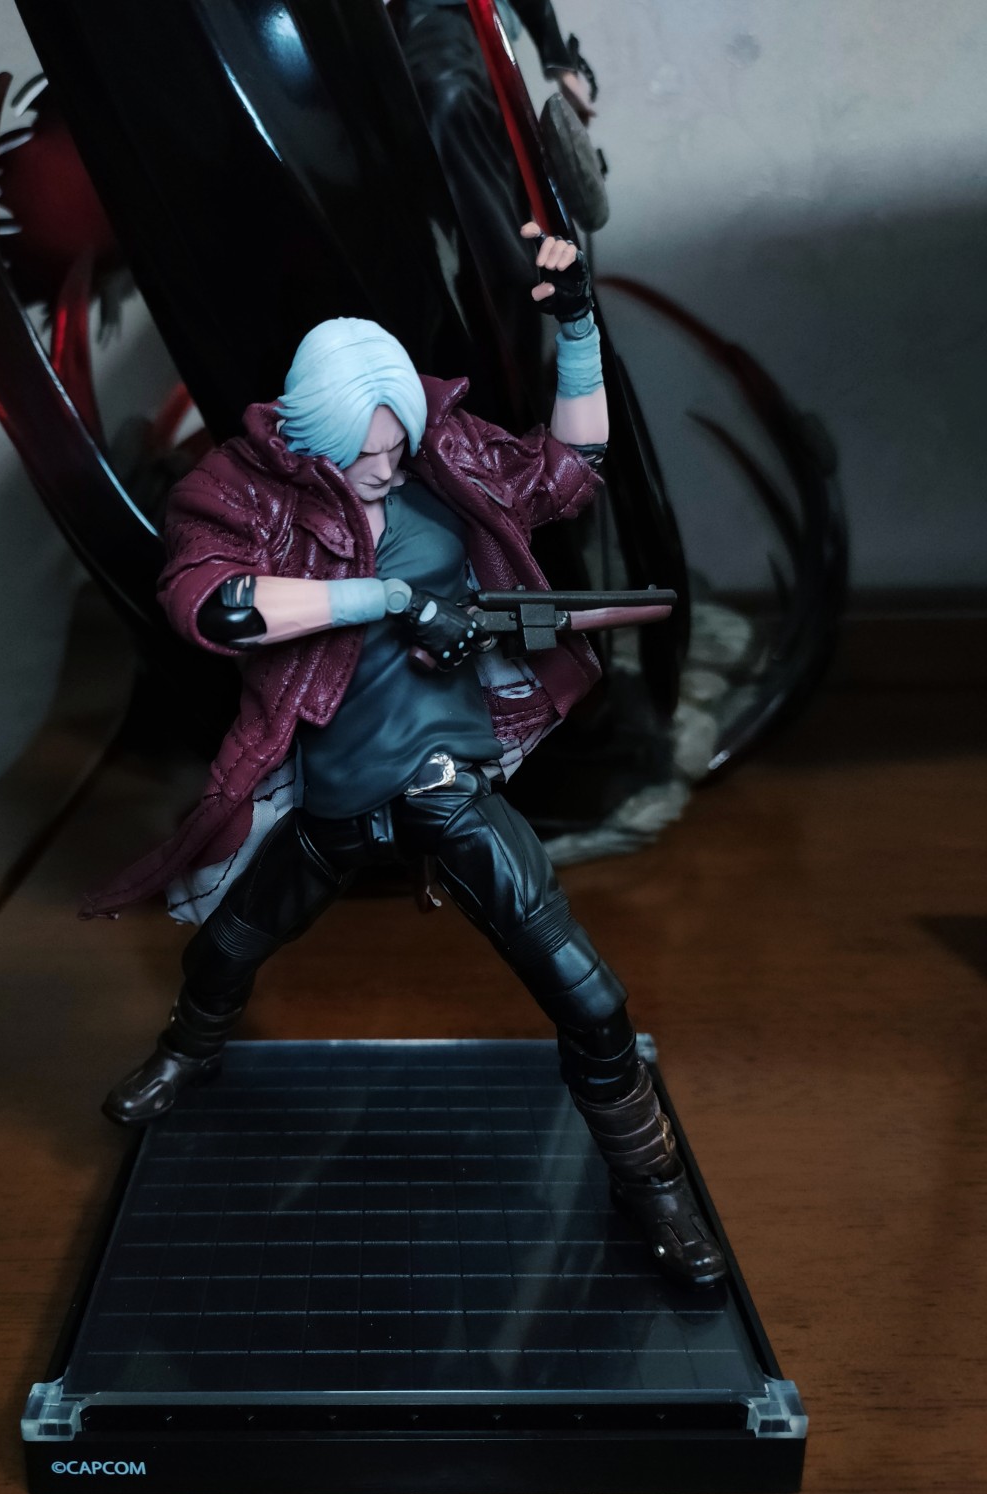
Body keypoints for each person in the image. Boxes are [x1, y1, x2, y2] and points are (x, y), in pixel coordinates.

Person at [85, 226, 726, 1290]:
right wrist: (386, 597)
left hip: (448, 785)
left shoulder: (447, 455)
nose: (386, 469)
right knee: (224, 947)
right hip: (330, 790)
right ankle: (188, 1050)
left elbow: (570, 469)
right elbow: (215, 606)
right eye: (364, 455)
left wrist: (576, 328)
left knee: (587, 994)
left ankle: (652, 1181)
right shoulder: (242, 490)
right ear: (311, 437)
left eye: (396, 447)